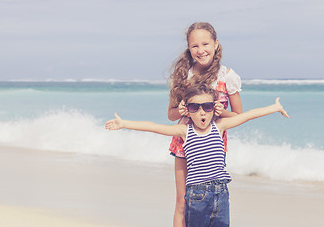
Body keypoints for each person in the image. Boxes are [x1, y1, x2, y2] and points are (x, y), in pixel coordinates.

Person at [105, 84, 289, 227]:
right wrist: (124, 123)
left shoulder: (220, 126)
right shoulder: (184, 131)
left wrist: (274, 108)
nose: (202, 112)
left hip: (221, 193)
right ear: (187, 109)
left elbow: (247, 115)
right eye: (195, 107)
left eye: (207, 106)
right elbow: (153, 127)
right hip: (197, 195)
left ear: (214, 108)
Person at [168, 22, 243, 226]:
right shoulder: (184, 75)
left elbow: (237, 115)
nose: (201, 50)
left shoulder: (227, 77)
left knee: (213, 201)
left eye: (205, 44)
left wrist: (222, 112)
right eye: (195, 46)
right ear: (189, 48)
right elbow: (171, 115)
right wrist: (181, 111)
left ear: (216, 44)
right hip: (184, 143)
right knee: (182, 202)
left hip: (213, 145)